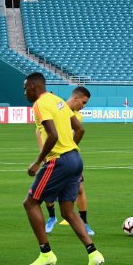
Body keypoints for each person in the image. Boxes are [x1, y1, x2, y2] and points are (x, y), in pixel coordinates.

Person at [22, 73, 104, 265]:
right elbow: (80, 129)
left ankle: (46, 253)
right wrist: (69, 149)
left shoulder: (40, 104)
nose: (24, 92)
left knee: (30, 203)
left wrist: (38, 162)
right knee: (67, 211)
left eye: (25, 88)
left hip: (58, 160)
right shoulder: (57, 100)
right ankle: (94, 254)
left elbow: (52, 135)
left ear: (33, 86)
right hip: (75, 159)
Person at [44, 86, 95, 236]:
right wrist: (44, 153)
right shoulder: (56, 109)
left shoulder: (77, 116)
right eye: (83, 102)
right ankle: (52, 217)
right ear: (75, 98)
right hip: (53, 156)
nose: (83, 106)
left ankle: (84, 222)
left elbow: (76, 135)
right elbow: (39, 131)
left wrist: (71, 153)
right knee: (48, 190)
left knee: (79, 189)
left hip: (70, 158)